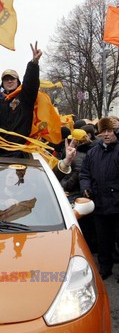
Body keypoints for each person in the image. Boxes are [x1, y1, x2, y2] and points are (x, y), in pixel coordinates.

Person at [79, 117, 119, 279]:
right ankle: (105, 268)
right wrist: (86, 188)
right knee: (103, 240)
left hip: (117, 203)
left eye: (110, 131)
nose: (107, 134)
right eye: (104, 131)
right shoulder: (93, 152)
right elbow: (84, 174)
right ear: (99, 133)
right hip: (99, 204)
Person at [0, 42, 42, 156]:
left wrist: (33, 64)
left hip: (19, 151)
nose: (9, 81)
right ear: (2, 83)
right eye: (6, 79)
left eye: (12, 79)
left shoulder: (25, 97)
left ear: (18, 82)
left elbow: (31, 83)